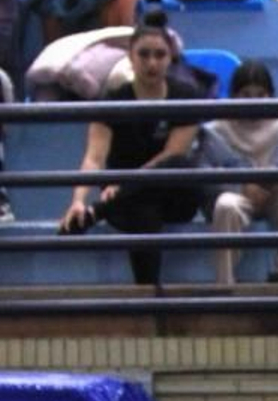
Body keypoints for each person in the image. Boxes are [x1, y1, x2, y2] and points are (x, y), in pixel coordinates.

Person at [57, 14, 201, 287]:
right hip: (125, 200)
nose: (151, 63)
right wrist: (78, 201)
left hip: (170, 194)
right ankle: (148, 303)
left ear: (170, 57)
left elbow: (172, 154)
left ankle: (97, 212)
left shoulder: (186, 96)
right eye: (144, 54)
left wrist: (124, 185)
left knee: (178, 164)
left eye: (159, 55)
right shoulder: (112, 100)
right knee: (143, 211)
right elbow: (94, 157)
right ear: (130, 56)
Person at [196, 58, 278, 286]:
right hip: (236, 198)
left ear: (270, 96)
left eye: (260, 94)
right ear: (234, 96)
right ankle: (225, 280)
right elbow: (203, 176)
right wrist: (241, 186)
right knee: (226, 204)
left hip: (273, 198)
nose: (253, 101)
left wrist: (271, 180)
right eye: (246, 94)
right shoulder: (216, 130)